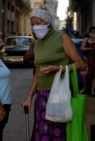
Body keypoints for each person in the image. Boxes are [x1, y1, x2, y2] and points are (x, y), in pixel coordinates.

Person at [21, 7, 85, 141]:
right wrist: (29, 97)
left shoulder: (62, 37)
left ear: (47, 23)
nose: (34, 27)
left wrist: (56, 69)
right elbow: (38, 73)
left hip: (59, 94)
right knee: (41, 133)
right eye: (32, 24)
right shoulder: (37, 43)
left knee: (57, 133)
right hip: (42, 96)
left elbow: (80, 64)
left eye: (38, 23)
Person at [80, 26, 95, 95]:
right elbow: (82, 48)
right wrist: (89, 48)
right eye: (91, 32)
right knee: (84, 74)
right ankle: (84, 88)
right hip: (86, 59)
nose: (93, 34)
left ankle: (92, 90)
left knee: (94, 74)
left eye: (94, 32)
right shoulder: (86, 39)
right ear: (89, 32)